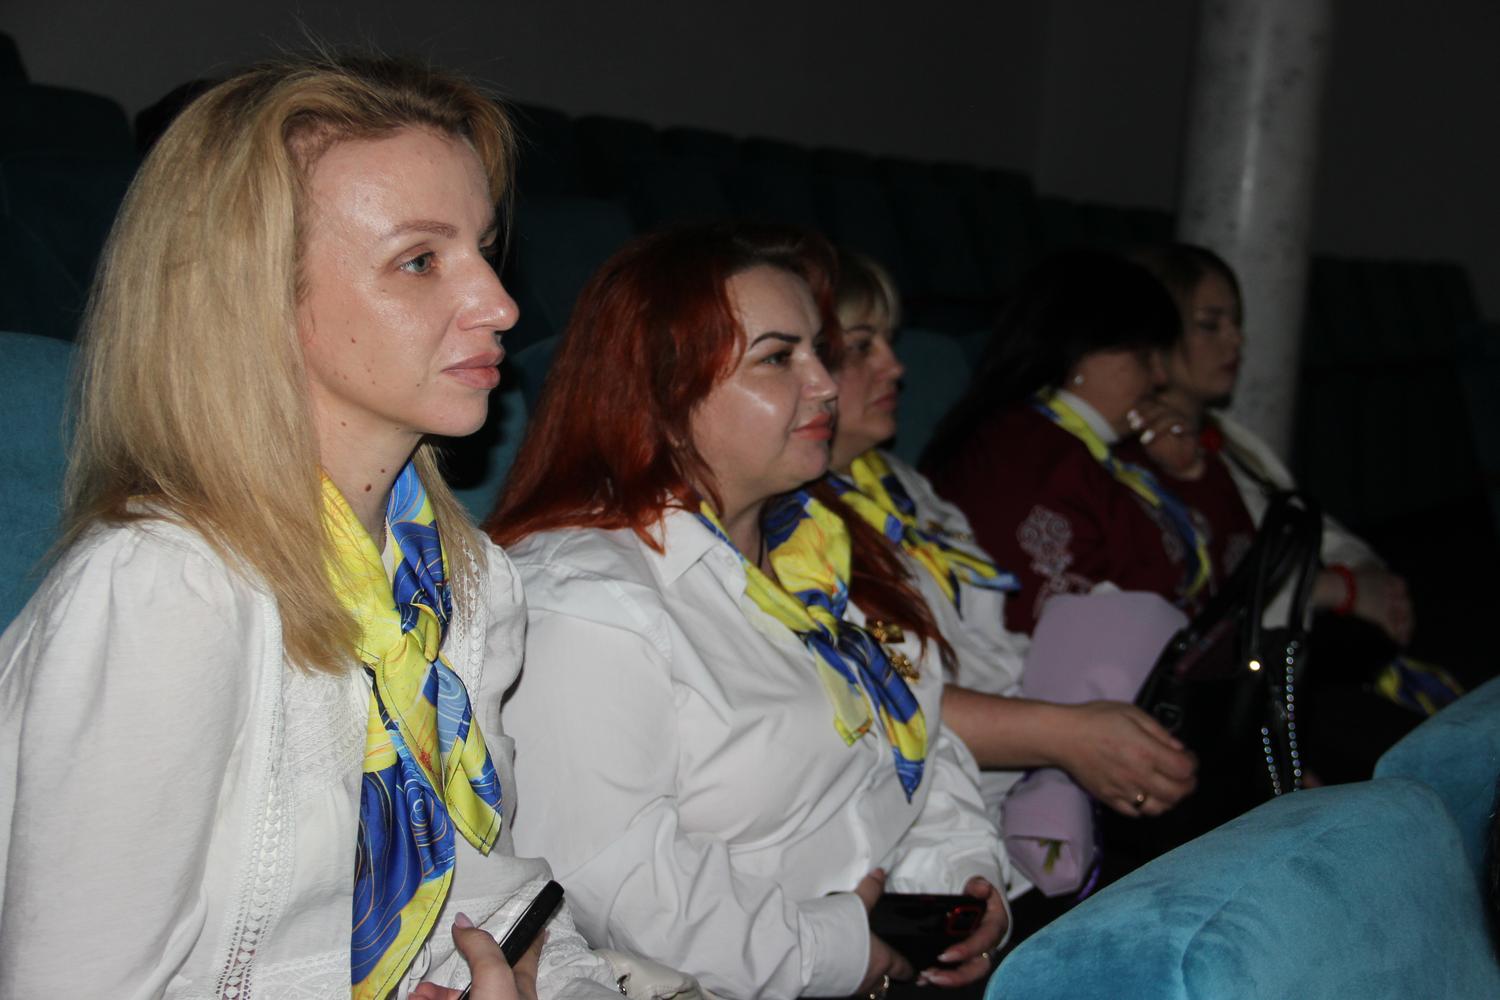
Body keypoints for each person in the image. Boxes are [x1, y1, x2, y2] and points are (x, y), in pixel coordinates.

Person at [0, 55, 621, 1000]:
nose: (500, 304)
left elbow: (502, 899)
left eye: (484, 249)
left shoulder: (464, 580)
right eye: (420, 261)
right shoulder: (167, 588)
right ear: (252, 297)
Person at [487, 223, 1008, 1000]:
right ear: (664, 393)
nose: (826, 384)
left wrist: (962, 881)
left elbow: (920, 745)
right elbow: (614, 885)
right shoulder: (582, 601)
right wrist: (842, 950)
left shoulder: (823, 549)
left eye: (819, 351)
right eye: (777, 358)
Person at [824, 249, 1196, 828]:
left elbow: (989, 640)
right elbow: (878, 695)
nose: (896, 366)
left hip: (997, 779)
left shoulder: (903, 485)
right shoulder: (787, 521)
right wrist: (1066, 733)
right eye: (860, 346)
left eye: (889, 342)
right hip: (926, 805)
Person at [922, 250, 1249, 635]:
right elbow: (1063, 630)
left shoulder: (1116, 451)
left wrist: (1190, 475)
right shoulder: (1024, 457)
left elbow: (1240, 578)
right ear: (1084, 353)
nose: (1160, 378)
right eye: (1146, 357)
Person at [1127, 242, 1413, 645]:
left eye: (1236, 322)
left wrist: (1367, 574)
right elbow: (1203, 585)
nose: (1236, 339)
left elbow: (1318, 531)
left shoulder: (1231, 440)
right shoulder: (1133, 450)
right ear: (1154, 336)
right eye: (1210, 325)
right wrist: (1339, 590)